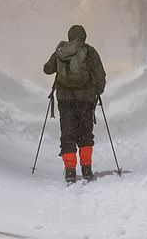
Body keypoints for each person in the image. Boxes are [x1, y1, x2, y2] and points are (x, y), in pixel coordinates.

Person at [43, 25, 106, 184]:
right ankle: (86, 168)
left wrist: (58, 59)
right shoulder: (90, 51)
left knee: (68, 133)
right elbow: (100, 74)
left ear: (69, 36)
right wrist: (98, 90)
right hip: (86, 98)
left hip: (65, 99)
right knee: (85, 132)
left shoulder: (61, 50)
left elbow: (47, 69)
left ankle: (70, 171)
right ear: (84, 36)